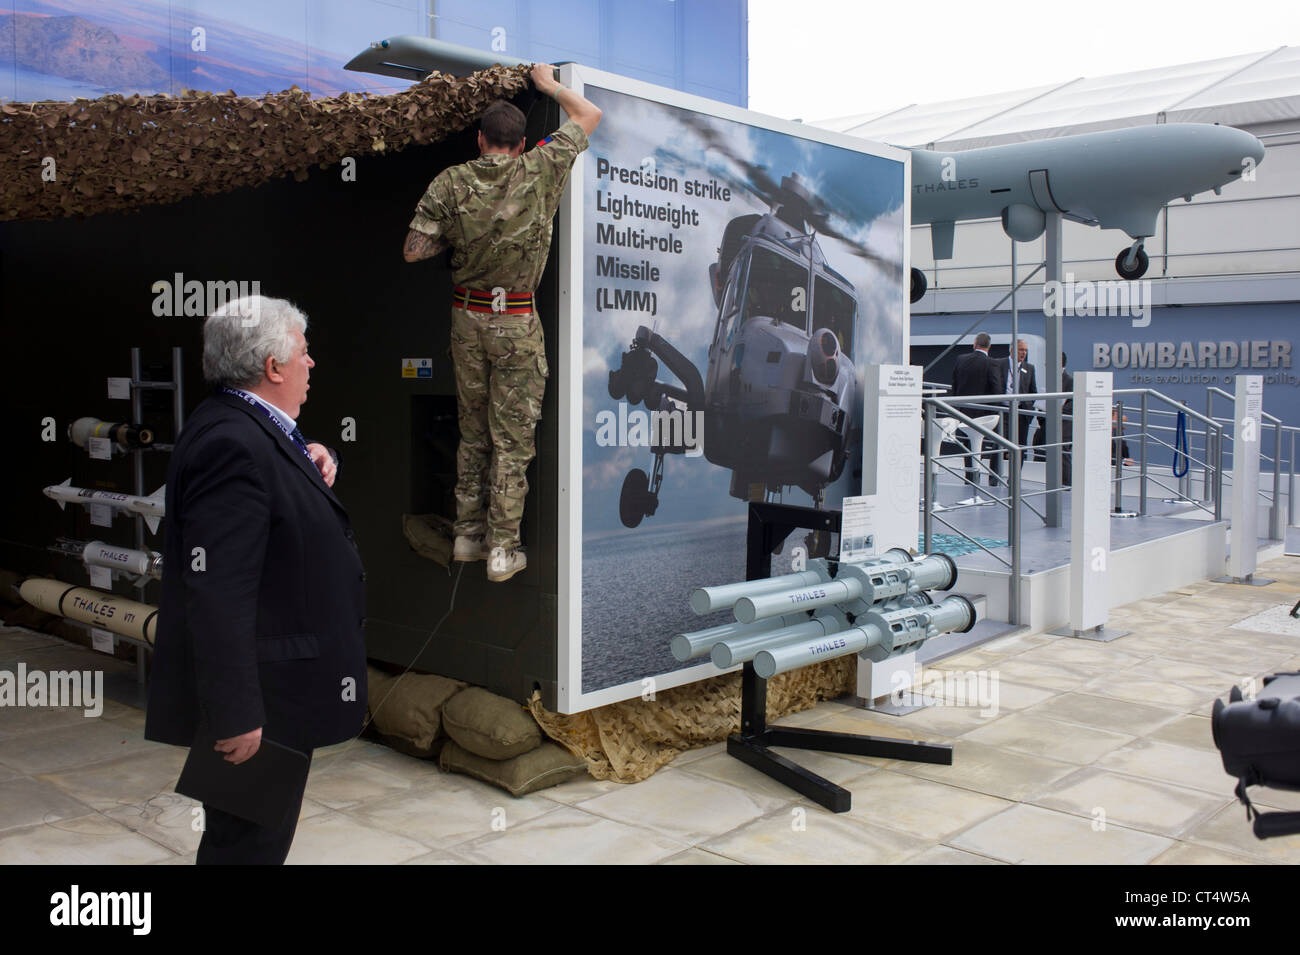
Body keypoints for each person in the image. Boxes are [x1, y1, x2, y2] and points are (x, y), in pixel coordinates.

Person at [145, 295, 367, 865]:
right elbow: (219, 590)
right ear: (273, 367)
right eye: (304, 352)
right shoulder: (232, 443)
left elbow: (279, 477)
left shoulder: (245, 424)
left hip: (277, 689)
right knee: (244, 849)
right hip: (266, 700)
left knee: (253, 842)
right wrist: (237, 712)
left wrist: (320, 457)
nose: (311, 364)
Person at [402, 63, 601, 583]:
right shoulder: (542, 166)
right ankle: (501, 550)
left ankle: (467, 536)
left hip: (465, 318)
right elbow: (590, 113)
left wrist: (466, 236)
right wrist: (547, 85)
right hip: (514, 320)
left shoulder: (451, 181)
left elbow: (414, 250)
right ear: (520, 143)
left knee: (473, 431)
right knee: (512, 438)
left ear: (480, 139)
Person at [950, 332, 1004, 490]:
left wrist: (957, 407)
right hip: (984, 416)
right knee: (991, 445)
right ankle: (988, 482)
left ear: (975, 344)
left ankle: (970, 481)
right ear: (989, 346)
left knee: (968, 446)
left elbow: (955, 384)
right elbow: (996, 390)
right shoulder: (992, 363)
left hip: (964, 412)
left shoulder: (961, 360)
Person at [997, 338, 1038, 470]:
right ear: (1012, 350)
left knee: (1020, 446)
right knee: (998, 444)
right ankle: (994, 477)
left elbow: (1033, 392)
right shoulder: (999, 364)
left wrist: (1029, 413)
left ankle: (1015, 477)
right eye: (1021, 349)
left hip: (1021, 413)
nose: (1024, 353)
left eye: (1025, 350)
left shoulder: (1029, 368)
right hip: (1002, 411)